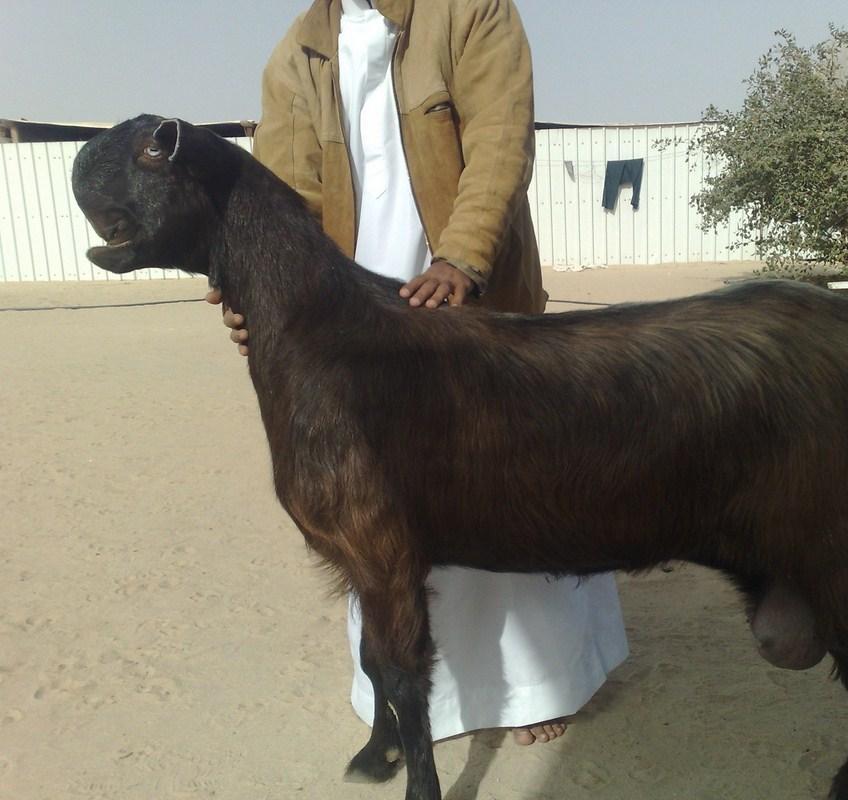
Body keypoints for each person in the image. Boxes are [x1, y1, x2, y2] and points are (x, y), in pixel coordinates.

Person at [207, 0, 628, 745]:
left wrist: (462, 255)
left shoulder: (471, 12)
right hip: (348, 310)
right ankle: (411, 691)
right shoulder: (299, 48)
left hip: (464, 291)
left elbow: (500, 137)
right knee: (370, 498)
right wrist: (256, 294)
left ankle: (539, 685)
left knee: (508, 484)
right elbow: (283, 192)